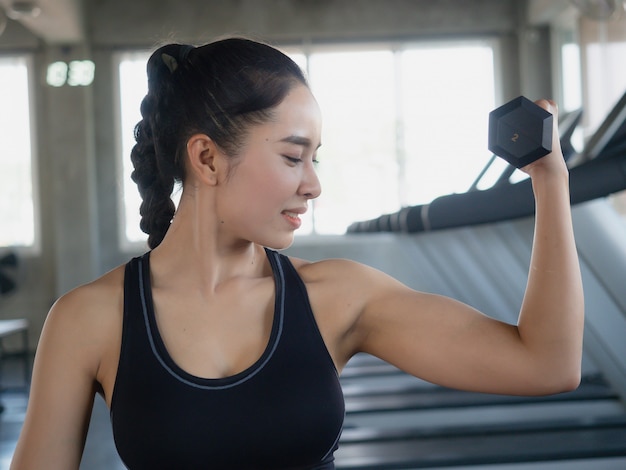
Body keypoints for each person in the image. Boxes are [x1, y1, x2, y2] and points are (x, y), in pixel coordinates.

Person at [11, 37, 584, 469]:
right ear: (207, 159)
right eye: (293, 157)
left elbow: (546, 365)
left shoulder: (338, 298)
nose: (313, 185)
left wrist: (549, 181)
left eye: (316, 159)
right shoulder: (90, 318)